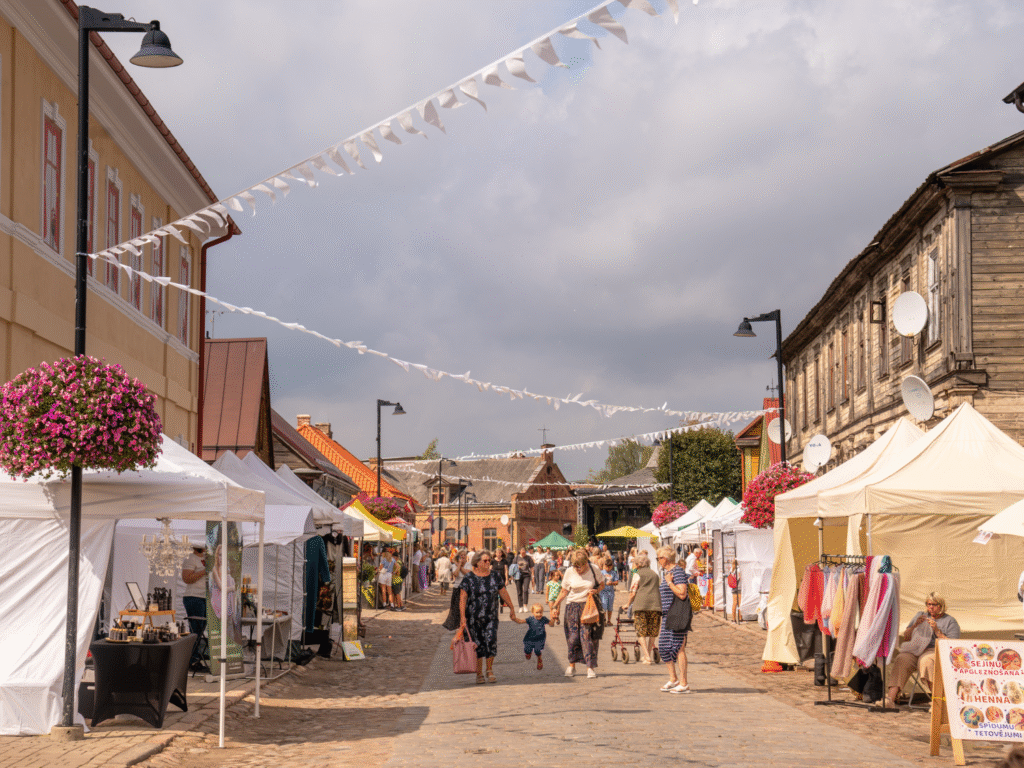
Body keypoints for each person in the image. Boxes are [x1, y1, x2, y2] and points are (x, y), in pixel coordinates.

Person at [886, 592, 960, 707]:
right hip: (916, 648)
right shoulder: (920, 615)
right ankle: (890, 699)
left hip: (933, 650)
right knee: (902, 659)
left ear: (941, 606)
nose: (930, 607)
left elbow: (953, 645)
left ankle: (938, 704)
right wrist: (915, 625)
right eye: (928, 604)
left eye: (934, 604)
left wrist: (937, 631)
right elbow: (906, 636)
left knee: (926, 661)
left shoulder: (950, 621)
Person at [459, 550, 523, 683]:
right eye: (485, 560)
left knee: (490, 641)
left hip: (491, 616)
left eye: (489, 560)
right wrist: (462, 617)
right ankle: (479, 673)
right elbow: (463, 598)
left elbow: (503, 592)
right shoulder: (469, 578)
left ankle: (489, 670)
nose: (489, 563)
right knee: (477, 644)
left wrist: (511, 607)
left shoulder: (495, 576)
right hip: (473, 617)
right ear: (477, 563)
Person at [549, 549, 604, 678]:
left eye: (579, 566)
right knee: (572, 637)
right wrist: (555, 605)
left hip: (588, 606)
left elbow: (602, 584)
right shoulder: (569, 571)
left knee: (587, 637)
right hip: (572, 607)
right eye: (575, 566)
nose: (577, 569)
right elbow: (564, 591)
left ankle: (590, 667)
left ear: (586, 563)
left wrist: (595, 591)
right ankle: (571, 665)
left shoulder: (593, 569)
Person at [656, 545, 691, 693]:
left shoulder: (678, 572)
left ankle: (684, 682)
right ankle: (673, 678)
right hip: (667, 615)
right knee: (664, 647)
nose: (658, 561)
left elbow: (682, 593)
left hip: (678, 613)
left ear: (665, 559)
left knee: (678, 647)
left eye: (658, 558)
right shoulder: (668, 572)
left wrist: (669, 583)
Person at [623, 551, 661, 664]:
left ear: (638, 564)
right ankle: (647, 654)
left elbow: (633, 592)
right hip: (655, 605)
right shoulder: (655, 574)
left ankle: (647, 656)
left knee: (641, 631)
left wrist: (627, 604)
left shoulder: (637, 574)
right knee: (653, 631)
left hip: (641, 605)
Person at [181, 544, 207, 667]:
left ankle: (196, 657)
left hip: (205, 597)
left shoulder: (206, 558)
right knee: (196, 630)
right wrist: (205, 571)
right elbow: (187, 578)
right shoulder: (191, 558)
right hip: (194, 597)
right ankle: (192, 660)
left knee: (201, 629)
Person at [523, 603, 549, 670]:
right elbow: (521, 621)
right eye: (537, 612)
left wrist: (554, 618)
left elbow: (551, 623)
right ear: (532, 612)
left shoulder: (544, 619)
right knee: (527, 649)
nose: (539, 614)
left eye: (540, 612)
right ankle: (528, 653)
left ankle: (539, 659)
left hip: (540, 638)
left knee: (537, 650)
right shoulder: (530, 619)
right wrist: (514, 618)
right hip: (530, 637)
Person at [599, 555, 618, 624]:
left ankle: (609, 620)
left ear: (611, 566)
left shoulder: (613, 573)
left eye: (609, 567)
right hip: (603, 592)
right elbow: (598, 581)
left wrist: (612, 583)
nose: (607, 568)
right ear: (604, 565)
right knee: (604, 606)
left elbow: (616, 582)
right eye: (606, 566)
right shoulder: (601, 572)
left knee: (610, 607)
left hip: (610, 592)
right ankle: (604, 620)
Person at [729, 559, 741, 623]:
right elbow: (738, 578)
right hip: (738, 587)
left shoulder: (731, 569)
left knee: (734, 603)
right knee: (739, 603)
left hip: (733, 587)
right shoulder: (738, 569)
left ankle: (733, 619)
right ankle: (740, 618)